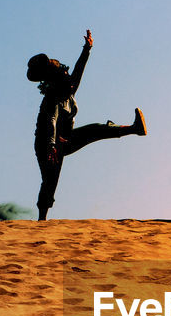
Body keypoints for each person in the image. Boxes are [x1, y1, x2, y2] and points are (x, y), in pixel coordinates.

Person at [27, 30, 146, 220]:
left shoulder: (69, 88)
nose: (69, 76)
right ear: (56, 79)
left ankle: (134, 128)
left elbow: (79, 70)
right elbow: (50, 122)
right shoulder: (53, 99)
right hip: (46, 144)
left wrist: (87, 48)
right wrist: (51, 145)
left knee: (96, 129)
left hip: (63, 140)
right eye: (64, 73)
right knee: (50, 180)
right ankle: (41, 221)